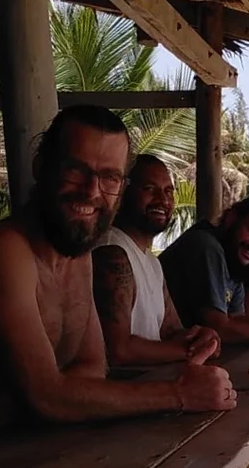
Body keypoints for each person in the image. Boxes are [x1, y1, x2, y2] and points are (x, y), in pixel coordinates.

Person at [0, 106, 236, 453]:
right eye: (75, 170)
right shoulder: (2, 249)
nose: (91, 191)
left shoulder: (79, 256)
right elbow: (47, 395)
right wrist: (178, 393)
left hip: (21, 458)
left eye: (109, 178)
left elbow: (92, 368)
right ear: (42, 167)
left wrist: (34, 400)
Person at [92, 154, 221, 366]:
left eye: (168, 191)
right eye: (150, 189)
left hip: (153, 386)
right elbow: (118, 350)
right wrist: (189, 351)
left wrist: (202, 338)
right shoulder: (111, 252)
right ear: (124, 192)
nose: (163, 200)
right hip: (123, 392)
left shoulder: (152, 262)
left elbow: (172, 331)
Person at [159, 196, 249, 344]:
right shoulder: (206, 246)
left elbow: (235, 321)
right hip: (154, 357)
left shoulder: (234, 262)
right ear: (231, 218)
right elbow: (219, 327)